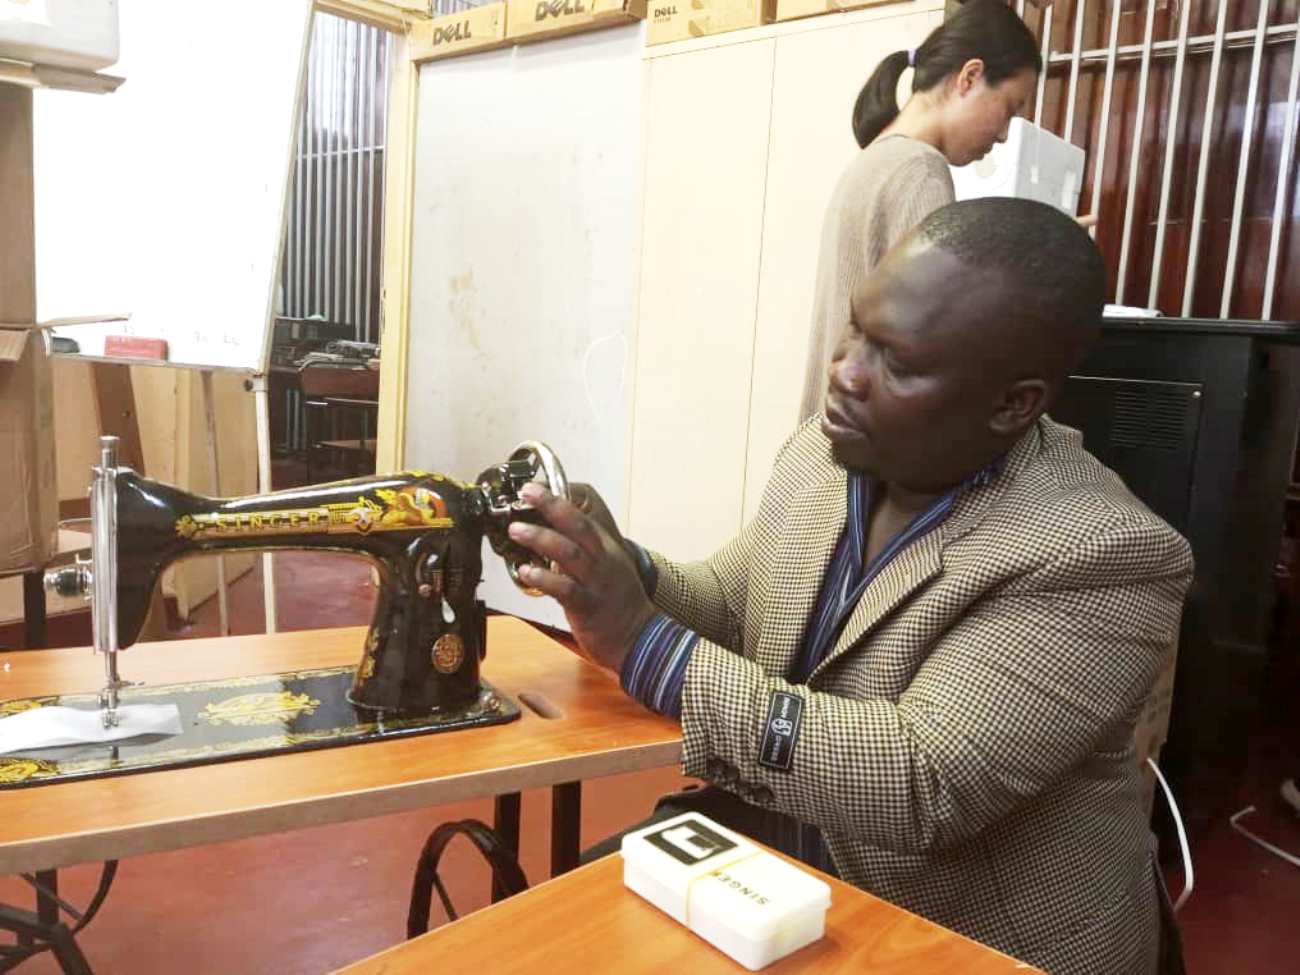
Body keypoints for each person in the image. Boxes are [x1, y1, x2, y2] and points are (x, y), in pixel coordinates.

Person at [507, 198, 1193, 975]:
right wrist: (618, 565)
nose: (845, 371)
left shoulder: (1101, 550)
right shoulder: (825, 454)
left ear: (1013, 404)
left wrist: (643, 641)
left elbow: (921, 780)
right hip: (788, 847)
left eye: (895, 362)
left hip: (955, 926)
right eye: (856, 330)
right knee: (542, 942)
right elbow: (736, 604)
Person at [798, 0, 1042, 421]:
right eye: (1009, 108)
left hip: (830, 435)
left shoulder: (875, 157)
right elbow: (934, 339)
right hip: (867, 442)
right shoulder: (920, 171)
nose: (1004, 135)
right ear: (970, 77)